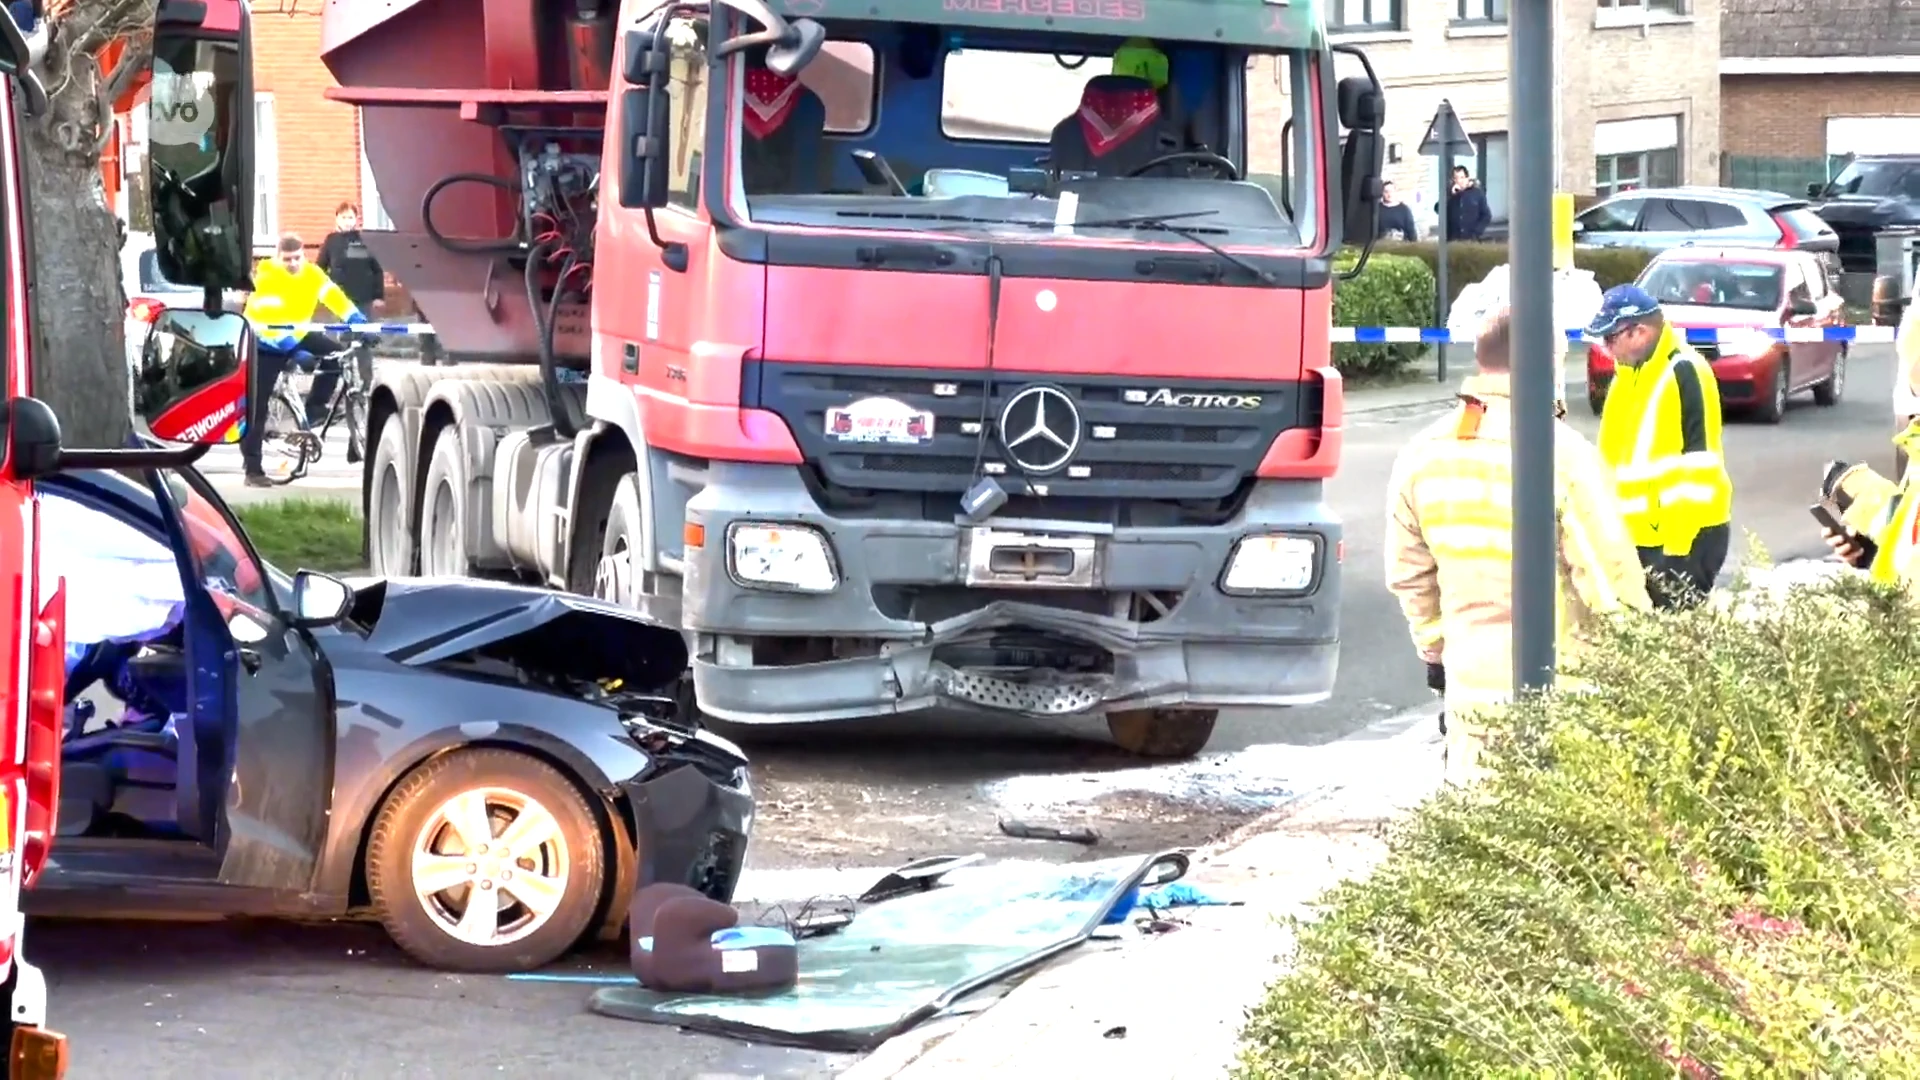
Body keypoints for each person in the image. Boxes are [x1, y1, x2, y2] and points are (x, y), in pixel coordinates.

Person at [1387, 307, 1652, 785]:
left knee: (1478, 832)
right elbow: (1608, 580)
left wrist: (1437, 653)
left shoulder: (1423, 454)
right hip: (1564, 694)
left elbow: (1410, 575)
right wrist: (1645, 668)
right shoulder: (1563, 454)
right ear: (1550, 361)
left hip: (1470, 694)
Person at [1587, 285, 1734, 610]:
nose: (1607, 348)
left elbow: (1700, 466)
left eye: (1611, 338)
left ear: (1639, 331)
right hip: (1637, 541)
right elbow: (1609, 461)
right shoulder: (1625, 378)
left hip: (1683, 542)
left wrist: (1678, 550)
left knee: (1674, 645)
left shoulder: (1684, 370)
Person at [240, 233, 368, 486]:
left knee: (334, 358)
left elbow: (333, 296)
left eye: (297, 258)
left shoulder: (313, 274)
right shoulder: (267, 278)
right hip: (266, 342)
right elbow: (266, 320)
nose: (293, 264)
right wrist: (292, 350)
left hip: (298, 333)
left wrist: (356, 318)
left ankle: (316, 408)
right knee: (257, 406)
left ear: (304, 255)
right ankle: (252, 470)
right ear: (277, 258)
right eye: (287, 259)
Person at [317, 202, 387, 319]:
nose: (347, 221)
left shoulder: (364, 239)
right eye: (343, 217)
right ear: (337, 219)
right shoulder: (331, 240)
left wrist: (378, 296)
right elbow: (320, 268)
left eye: (350, 217)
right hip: (339, 296)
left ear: (356, 219)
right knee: (344, 332)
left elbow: (376, 269)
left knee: (362, 330)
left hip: (362, 295)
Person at [1442, 165, 1491, 242]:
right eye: (1456, 178)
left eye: (1462, 177)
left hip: (1471, 238)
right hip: (1453, 239)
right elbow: (1438, 208)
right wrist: (1450, 195)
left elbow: (1486, 215)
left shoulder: (1477, 193)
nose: (1459, 181)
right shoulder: (1450, 193)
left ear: (1467, 178)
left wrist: (1477, 232)